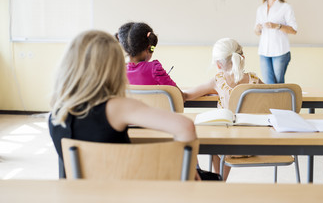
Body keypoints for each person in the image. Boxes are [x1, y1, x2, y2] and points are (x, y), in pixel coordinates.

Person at [48, 30, 197, 178]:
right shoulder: (118, 107)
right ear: (114, 67)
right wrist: (186, 172)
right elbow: (185, 127)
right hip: (124, 193)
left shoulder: (55, 115)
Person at [184, 38, 263, 180]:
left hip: (225, 148)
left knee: (216, 135)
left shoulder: (218, 81)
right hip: (254, 145)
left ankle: (220, 181)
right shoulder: (255, 80)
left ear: (218, 64)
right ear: (242, 58)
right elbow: (274, 97)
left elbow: (186, 96)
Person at [115, 22, 187, 100]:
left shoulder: (117, 71)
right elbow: (180, 96)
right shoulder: (155, 69)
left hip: (127, 112)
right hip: (153, 112)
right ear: (149, 48)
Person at [255, 0, 297, 84]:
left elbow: (294, 30)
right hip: (264, 52)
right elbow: (257, 33)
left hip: (280, 52)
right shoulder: (261, 9)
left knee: (278, 85)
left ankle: (281, 102)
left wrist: (277, 26)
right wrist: (258, 29)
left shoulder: (286, 7)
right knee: (268, 85)